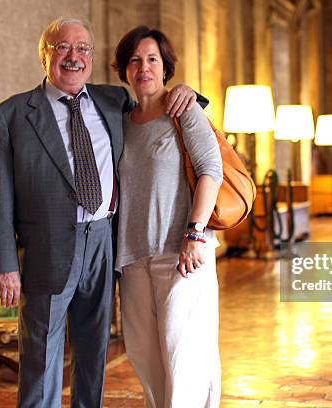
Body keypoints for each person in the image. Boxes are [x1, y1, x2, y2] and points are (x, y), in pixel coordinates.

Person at [0, 17, 201, 408]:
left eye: (83, 48)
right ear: (44, 55)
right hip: (47, 247)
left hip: (104, 241)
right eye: (62, 47)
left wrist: (186, 91)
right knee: (41, 354)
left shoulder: (113, 101)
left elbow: (157, 106)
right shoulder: (13, 114)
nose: (74, 56)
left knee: (94, 350)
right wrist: (4, 265)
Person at [111, 26, 223, 408]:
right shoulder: (121, 121)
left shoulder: (183, 109)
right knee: (147, 360)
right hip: (132, 257)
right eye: (135, 60)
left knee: (184, 357)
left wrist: (195, 233)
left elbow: (211, 169)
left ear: (165, 67)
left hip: (181, 253)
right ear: (124, 70)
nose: (144, 67)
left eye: (152, 59)